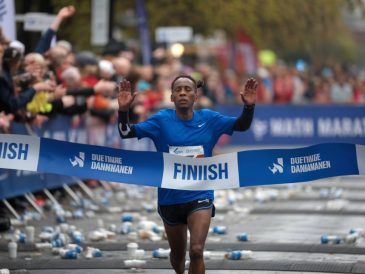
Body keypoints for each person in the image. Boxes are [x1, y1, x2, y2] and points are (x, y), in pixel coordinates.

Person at [117, 75, 257, 274]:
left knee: (197, 251)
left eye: (188, 89)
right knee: (178, 255)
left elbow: (241, 125)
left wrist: (249, 107)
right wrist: (123, 111)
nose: (183, 92)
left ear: (196, 95)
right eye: (178, 90)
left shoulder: (210, 119)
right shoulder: (161, 120)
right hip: (170, 197)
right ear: (172, 97)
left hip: (200, 194)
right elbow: (126, 132)